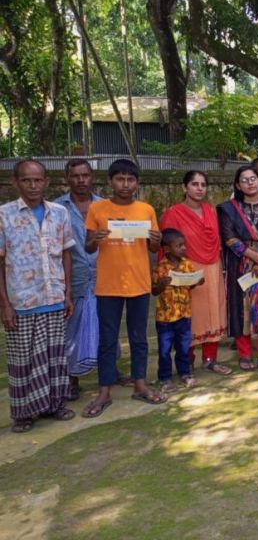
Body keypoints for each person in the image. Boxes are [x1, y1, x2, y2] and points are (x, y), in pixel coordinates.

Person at [82, 159, 166, 418]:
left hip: (139, 283)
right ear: (110, 182)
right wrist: (94, 240)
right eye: (120, 179)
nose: (125, 184)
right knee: (107, 339)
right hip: (108, 285)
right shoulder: (97, 209)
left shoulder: (146, 209)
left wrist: (157, 241)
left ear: (137, 183)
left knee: (139, 337)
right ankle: (104, 390)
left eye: (130, 180)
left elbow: (152, 248)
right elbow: (87, 247)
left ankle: (140, 383)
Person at [0, 160, 76, 432]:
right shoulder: (4, 215)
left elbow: (66, 253)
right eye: (26, 180)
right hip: (21, 302)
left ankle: (56, 404)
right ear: (15, 182)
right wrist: (5, 305)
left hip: (54, 297)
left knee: (55, 357)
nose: (33, 186)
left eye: (37, 180)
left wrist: (67, 293)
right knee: (24, 362)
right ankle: (23, 414)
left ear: (46, 182)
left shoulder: (59, 213)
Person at [160, 171, 232, 375]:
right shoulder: (174, 213)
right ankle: (187, 362)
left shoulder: (210, 210)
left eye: (203, 184)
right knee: (190, 315)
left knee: (214, 312)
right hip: (186, 270)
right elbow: (165, 245)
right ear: (185, 188)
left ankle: (210, 359)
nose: (200, 188)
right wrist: (171, 273)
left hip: (212, 267)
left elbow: (216, 240)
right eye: (194, 184)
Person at [217, 165, 258, 371]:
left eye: (253, 178)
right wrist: (254, 256)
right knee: (239, 307)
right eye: (244, 180)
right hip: (239, 262)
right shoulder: (228, 209)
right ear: (237, 184)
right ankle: (244, 353)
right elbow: (229, 238)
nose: (250, 182)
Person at [55, 159, 103, 400]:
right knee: (70, 330)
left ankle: (109, 371)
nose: (81, 180)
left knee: (106, 326)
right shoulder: (57, 208)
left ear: (92, 177)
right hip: (72, 279)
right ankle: (71, 378)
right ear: (67, 178)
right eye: (75, 176)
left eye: (85, 175)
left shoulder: (105, 206)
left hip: (103, 276)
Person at [152, 229, 204, 393]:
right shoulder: (161, 267)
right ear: (167, 249)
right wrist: (162, 283)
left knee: (183, 347)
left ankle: (185, 373)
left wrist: (197, 281)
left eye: (184, 245)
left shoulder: (187, 264)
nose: (183, 248)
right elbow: (154, 291)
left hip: (184, 314)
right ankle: (165, 378)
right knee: (164, 349)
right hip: (165, 317)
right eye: (179, 245)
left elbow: (190, 285)